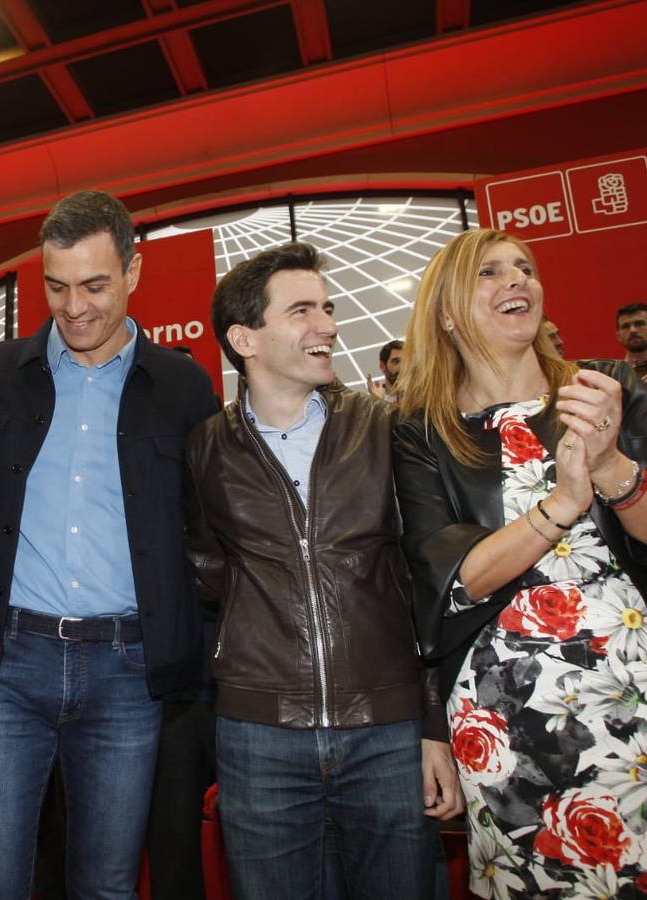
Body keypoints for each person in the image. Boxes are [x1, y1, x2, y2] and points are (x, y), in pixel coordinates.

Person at [393, 229, 647, 898]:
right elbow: (456, 578)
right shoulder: (422, 431)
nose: (517, 280)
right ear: (446, 310)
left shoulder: (607, 388)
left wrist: (612, 466)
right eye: (490, 273)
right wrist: (563, 503)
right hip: (512, 724)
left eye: (525, 268)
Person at [0, 190, 219, 899]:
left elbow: (211, 530)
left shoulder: (184, 388)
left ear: (133, 272)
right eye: (57, 285)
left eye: (95, 285)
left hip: (127, 674)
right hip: (3, 669)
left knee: (104, 885)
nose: (73, 307)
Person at [187, 243, 460, 900]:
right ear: (245, 338)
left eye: (328, 308)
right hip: (259, 734)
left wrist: (432, 722)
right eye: (303, 310)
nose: (329, 325)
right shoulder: (206, 448)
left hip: (387, 728)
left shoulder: (385, 428)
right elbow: (208, 572)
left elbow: (427, 579)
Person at [614, 302, 647, 392]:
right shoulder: (612, 376)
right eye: (626, 326)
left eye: (639, 324)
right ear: (618, 336)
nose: (633, 330)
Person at [366, 338, 403, 402]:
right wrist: (380, 402)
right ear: (382, 366)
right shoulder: (371, 402)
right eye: (397, 361)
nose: (403, 367)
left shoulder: (420, 400)